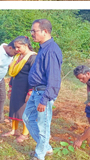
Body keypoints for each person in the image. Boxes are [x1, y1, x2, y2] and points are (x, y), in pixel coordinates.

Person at [25, 19, 63, 160]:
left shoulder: (52, 50)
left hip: (43, 94)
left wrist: (44, 100)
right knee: (27, 118)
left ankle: (39, 155)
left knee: (43, 126)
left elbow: (53, 79)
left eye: (34, 31)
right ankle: (45, 147)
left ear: (45, 31)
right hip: (36, 91)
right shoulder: (43, 48)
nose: (32, 34)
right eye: (32, 31)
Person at [4, 37, 36, 141]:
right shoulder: (18, 56)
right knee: (14, 108)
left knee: (25, 110)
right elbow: (13, 73)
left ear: (26, 45)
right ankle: (14, 130)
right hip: (16, 87)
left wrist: (30, 91)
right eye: (16, 47)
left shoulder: (33, 57)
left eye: (19, 47)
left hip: (26, 88)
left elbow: (34, 76)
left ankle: (25, 133)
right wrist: (10, 88)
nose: (16, 49)